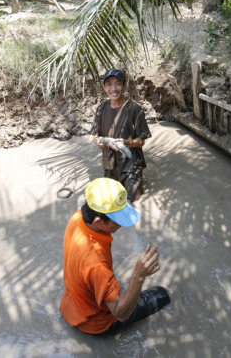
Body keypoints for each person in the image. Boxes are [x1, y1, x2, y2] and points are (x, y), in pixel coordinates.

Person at [59, 178, 170, 336]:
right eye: (117, 220)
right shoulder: (96, 264)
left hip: (71, 305)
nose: (121, 225)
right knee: (162, 295)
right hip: (97, 324)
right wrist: (138, 276)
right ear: (98, 221)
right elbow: (120, 313)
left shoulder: (77, 218)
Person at [91, 69, 151, 202]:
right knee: (111, 199)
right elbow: (96, 136)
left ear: (124, 85)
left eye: (118, 83)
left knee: (132, 199)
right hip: (110, 163)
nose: (114, 88)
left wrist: (126, 143)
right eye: (109, 84)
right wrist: (99, 143)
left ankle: (135, 179)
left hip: (131, 163)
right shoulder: (100, 109)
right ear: (104, 87)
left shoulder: (135, 109)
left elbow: (141, 141)